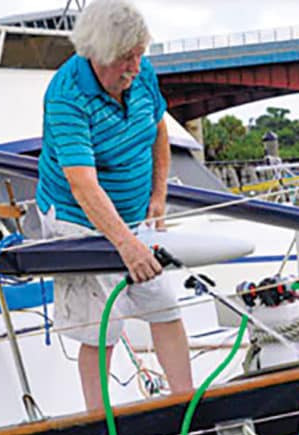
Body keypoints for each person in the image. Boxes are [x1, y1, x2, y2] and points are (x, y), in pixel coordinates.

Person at [36, 0, 192, 411]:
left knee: (164, 305)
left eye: (140, 55)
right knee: (101, 326)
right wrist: (124, 245)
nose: (136, 67)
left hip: (135, 214)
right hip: (77, 219)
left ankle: (186, 404)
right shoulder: (67, 95)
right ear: (99, 55)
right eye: (127, 58)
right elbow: (83, 184)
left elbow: (159, 130)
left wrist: (158, 197)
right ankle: (98, 421)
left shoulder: (141, 75)